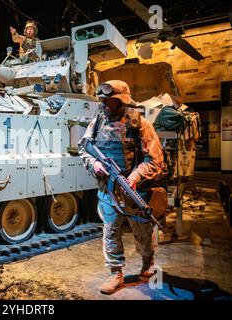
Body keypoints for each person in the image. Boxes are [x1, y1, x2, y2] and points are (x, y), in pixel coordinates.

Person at [79, 80, 165, 295]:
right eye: (103, 101)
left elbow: (155, 160)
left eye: (110, 101)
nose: (105, 105)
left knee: (144, 231)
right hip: (108, 190)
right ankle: (116, 273)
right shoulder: (97, 123)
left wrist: (135, 177)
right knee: (110, 232)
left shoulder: (140, 124)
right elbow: (84, 148)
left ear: (122, 102)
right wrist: (94, 163)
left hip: (135, 190)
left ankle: (148, 265)